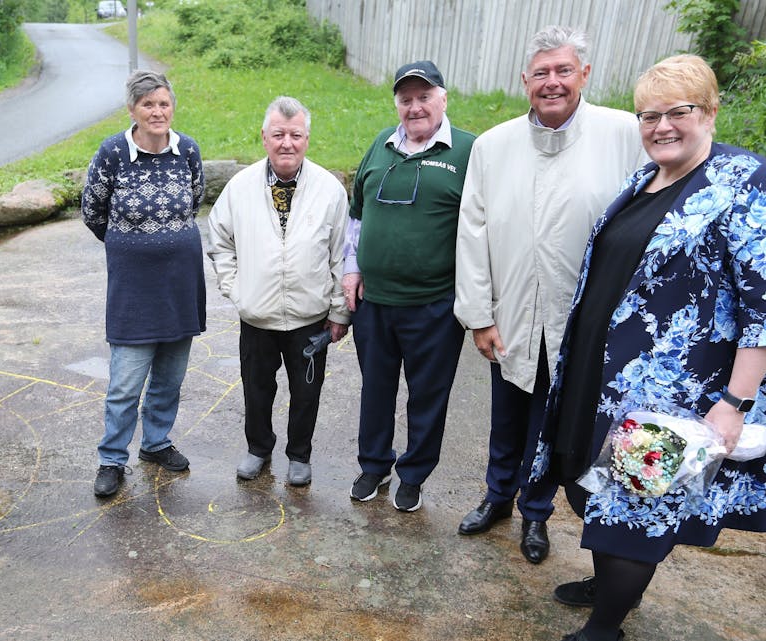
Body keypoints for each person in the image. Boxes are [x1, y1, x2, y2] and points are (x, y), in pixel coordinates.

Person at [530, 55, 766, 641]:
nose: (661, 126)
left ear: (711, 110)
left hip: (675, 398)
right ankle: (610, 586)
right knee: (589, 484)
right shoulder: (644, 179)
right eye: (648, 115)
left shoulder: (752, 183)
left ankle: (605, 626)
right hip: (600, 375)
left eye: (678, 112)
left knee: (637, 510)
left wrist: (734, 404)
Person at [454, 26, 647, 563]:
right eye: (541, 72)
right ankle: (497, 497)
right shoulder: (494, 146)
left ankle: (536, 514)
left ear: (585, 75)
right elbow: (472, 231)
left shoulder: (622, 135)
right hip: (512, 310)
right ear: (525, 81)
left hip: (583, 317)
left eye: (564, 70)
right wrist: (478, 315)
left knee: (553, 419)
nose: (553, 82)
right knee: (506, 411)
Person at [344, 61, 475, 512]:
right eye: (406, 99)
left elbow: (485, 227)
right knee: (375, 389)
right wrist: (351, 268)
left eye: (424, 97)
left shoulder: (468, 152)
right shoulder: (381, 145)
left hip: (435, 304)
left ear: (443, 98)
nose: (415, 107)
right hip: (374, 301)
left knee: (427, 396)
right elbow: (357, 212)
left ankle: (414, 474)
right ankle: (374, 465)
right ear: (397, 104)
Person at [207, 96, 350, 486]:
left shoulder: (329, 190)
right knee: (257, 388)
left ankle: (299, 455)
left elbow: (341, 254)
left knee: (306, 392)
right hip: (257, 314)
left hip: (309, 316)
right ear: (264, 138)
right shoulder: (240, 187)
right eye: (278, 135)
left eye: (296, 135)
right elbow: (219, 238)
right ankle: (258, 448)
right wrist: (234, 288)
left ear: (307, 138)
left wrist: (339, 311)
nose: (287, 143)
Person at [82, 70, 206, 498]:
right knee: (124, 384)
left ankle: (155, 443)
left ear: (173, 107)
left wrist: (164, 241)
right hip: (133, 289)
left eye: (164, 104)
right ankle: (112, 459)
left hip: (179, 284)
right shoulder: (113, 152)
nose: (157, 112)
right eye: (148, 104)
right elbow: (93, 210)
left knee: (170, 377)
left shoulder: (187, 149)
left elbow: (195, 197)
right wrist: (131, 247)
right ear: (132, 109)